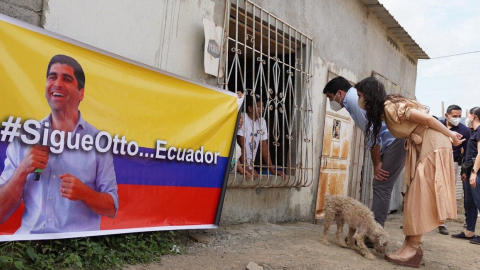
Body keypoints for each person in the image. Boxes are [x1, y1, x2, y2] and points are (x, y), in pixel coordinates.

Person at [0, 54, 119, 234]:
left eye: (67, 79)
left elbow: (112, 208)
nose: (57, 83)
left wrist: (84, 193)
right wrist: (22, 170)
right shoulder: (23, 138)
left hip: (77, 250)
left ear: (81, 93)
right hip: (29, 245)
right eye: (52, 77)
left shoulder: (98, 143)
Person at [354, 77, 463, 267]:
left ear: (369, 95)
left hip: (432, 144)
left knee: (419, 197)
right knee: (414, 195)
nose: (358, 99)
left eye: (360, 95)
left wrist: (450, 134)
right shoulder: (385, 110)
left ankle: (412, 249)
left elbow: (429, 119)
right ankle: (409, 246)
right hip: (424, 144)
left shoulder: (389, 107)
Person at [323, 77, 406, 228]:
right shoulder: (353, 100)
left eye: (330, 97)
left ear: (339, 93)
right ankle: (372, 230)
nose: (331, 101)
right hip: (392, 141)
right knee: (381, 185)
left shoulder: (354, 101)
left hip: (395, 140)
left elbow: (372, 133)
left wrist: (377, 164)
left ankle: (373, 233)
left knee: (382, 185)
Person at [437, 105, 471, 235]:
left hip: (452, 162)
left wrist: (464, 170)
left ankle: (442, 222)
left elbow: (467, 151)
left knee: (446, 191)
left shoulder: (464, 130)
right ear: (446, 115)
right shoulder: (438, 125)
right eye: (454, 116)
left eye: (459, 116)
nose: (457, 118)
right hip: (434, 160)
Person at [237, 93, 284, 179]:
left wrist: (272, 169)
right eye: (259, 106)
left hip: (249, 167)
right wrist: (246, 167)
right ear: (250, 108)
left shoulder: (262, 122)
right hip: (237, 166)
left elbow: (264, 147)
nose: (262, 109)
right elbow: (241, 145)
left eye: (262, 106)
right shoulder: (242, 118)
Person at [452, 107, 480, 245]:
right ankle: (469, 231)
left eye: (467, 115)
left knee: (478, 201)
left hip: (476, 172)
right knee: (469, 202)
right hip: (469, 171)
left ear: (473, 116)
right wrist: (465, 171)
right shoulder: (473, 131)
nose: (466, 118)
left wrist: (474, 173)